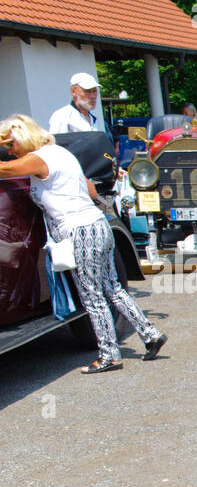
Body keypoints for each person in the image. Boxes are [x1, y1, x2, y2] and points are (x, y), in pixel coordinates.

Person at [0, 114, 166, 373]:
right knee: (112, 289)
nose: (11, 151)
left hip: (79, 231)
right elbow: (89, 189)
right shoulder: (61, 153)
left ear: (21, 136)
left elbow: (4, 170)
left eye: (11, 145)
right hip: (97, 224)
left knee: (92, 296)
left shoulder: (37, 158)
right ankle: (151, 334)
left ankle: (110, 355)